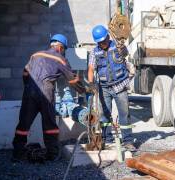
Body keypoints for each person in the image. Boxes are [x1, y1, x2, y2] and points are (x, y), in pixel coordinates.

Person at [12, 34, 86, 162]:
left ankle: (17, 154)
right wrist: (84, 90)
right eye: (64, 50)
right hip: (46, 91)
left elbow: (25, 73)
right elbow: (72, 80)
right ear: (60, 47)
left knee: (23, 124)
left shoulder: (35, 55)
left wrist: (29, 88)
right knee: (49, 124)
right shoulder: (60, 59)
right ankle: (52, 154)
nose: (63, 52)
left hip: (30, 90)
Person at [88, 25, 135, 150]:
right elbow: (91, 69)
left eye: (104, 40)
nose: (103, 43)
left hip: (120, 85)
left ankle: (128, 141)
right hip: (104, 88)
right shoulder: (94, 52)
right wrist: (91, 83)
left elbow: (125, 53)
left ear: (108, 37)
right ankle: (106, 139)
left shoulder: (117, 46)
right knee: (104, 115)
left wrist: (123, 48)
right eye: (100, 42)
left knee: (124, 114)